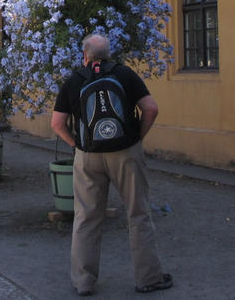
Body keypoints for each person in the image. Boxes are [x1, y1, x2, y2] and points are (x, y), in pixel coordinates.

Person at [51, 34, 172, 296]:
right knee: (138, 213)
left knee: (86, 217)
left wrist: (77, 145)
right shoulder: (125, 75)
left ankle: (83, 281)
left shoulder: (74, 81)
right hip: (125, 152)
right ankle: (148, 278)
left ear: (84, 55)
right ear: (108, 54)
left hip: (88, 156)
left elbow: (57, 124)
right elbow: (150, 108)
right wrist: (137, 137)